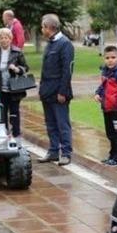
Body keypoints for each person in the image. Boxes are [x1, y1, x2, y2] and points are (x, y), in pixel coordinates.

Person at [37, 13, 74, 166]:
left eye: (43, 27)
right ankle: (53, 151)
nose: (42, 29)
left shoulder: (65, 44)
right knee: (50, 123)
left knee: (62, 123)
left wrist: (62, 91)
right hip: (47, 90)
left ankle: (65, 152)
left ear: (49, 27)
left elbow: (67, 70)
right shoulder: (50, 43)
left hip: (59, 90)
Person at [0, 27, 29, 141]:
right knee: (2, 112)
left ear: (10, 39)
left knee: (14, 112)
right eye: (1, 38)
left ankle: (16, 135)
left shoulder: (17, 52)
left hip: (14, 88)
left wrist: (17, 69)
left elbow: (26, 68)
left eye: (6, 38)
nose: (4, 40)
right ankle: (3, 133)